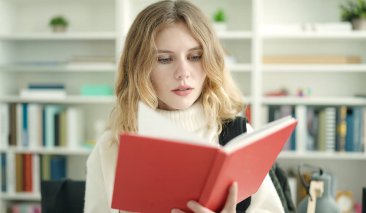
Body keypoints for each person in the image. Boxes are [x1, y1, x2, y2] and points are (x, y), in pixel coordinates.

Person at [84, 0, 284, 212]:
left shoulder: (238, 138)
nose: (183, 72)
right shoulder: (109, 149)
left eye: (195, 56)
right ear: (139, 69)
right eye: (164, 59)